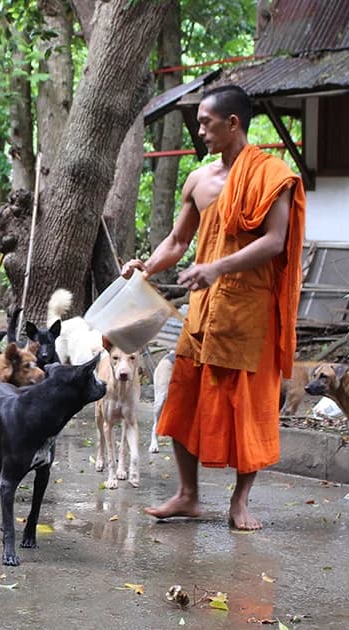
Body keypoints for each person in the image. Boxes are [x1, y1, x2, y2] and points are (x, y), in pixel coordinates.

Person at [121, 85, 306, 530]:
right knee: (182, 397)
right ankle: (188, 495)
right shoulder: (200, 180)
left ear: (233, 123)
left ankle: (240, 502)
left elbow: (275, 241)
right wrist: (146, 267)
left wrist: (217, 267)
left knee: (248, 406)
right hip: (205, 308)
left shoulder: (272, 174)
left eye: (206, 122)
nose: (200, 130)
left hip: (250, 309)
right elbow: (179, 241)